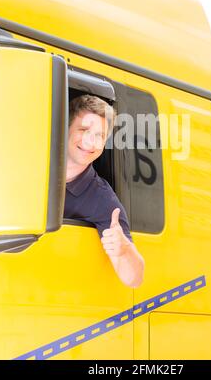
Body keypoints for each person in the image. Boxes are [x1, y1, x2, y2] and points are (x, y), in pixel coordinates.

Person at [64, 94, 144, 288]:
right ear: (65, 129)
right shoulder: (29, 166)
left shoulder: (102, 199)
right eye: (84, 130)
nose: (90, 142)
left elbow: (134, 279)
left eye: (99, 135)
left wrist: (123, 250)